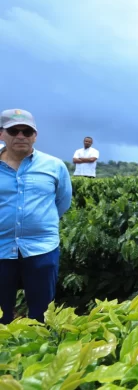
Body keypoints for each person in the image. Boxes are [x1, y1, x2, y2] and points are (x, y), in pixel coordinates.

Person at [0, 109, 72, 324]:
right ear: (2, 134)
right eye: (14, 130)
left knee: (42, 313)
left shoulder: (54, 166)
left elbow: (62, 202)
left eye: (27, 131)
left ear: (35, 135)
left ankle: (41, 354)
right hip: (1, 248)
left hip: (42, 247)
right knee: (1, 314)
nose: (21, 136)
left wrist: (38, 223)